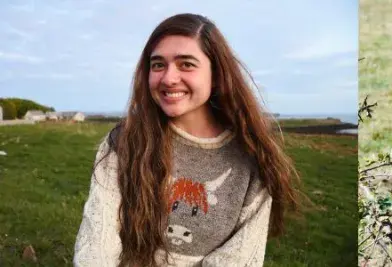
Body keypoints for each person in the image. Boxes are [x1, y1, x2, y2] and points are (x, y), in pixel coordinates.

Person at [73, 13, 302, 266]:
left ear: (216, 75)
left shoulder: (253, 156)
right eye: (158, 65)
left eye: (186, 64)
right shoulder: (123, 142)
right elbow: (97, 242)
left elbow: (239, 258)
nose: (168, 78)